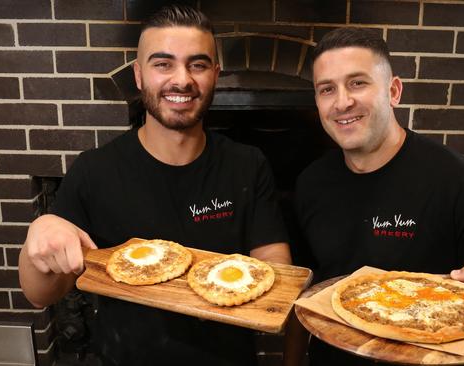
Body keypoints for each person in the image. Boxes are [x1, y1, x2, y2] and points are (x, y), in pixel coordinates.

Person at [18, 5, 291, 366]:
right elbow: (40, 295)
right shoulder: (94, 169)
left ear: (216, 75)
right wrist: (40, 235)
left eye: (198, 64)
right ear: (139, 76)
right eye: (163, 64)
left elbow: (275, 266)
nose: (182, 80)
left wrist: (237, 281)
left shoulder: (248, 163)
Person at [292, 27, 464, 365]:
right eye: (327, 89)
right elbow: (304, 294)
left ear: (393, 90)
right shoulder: (310, 183)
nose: (342, 102)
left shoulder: (459, 180)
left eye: (358, 83)